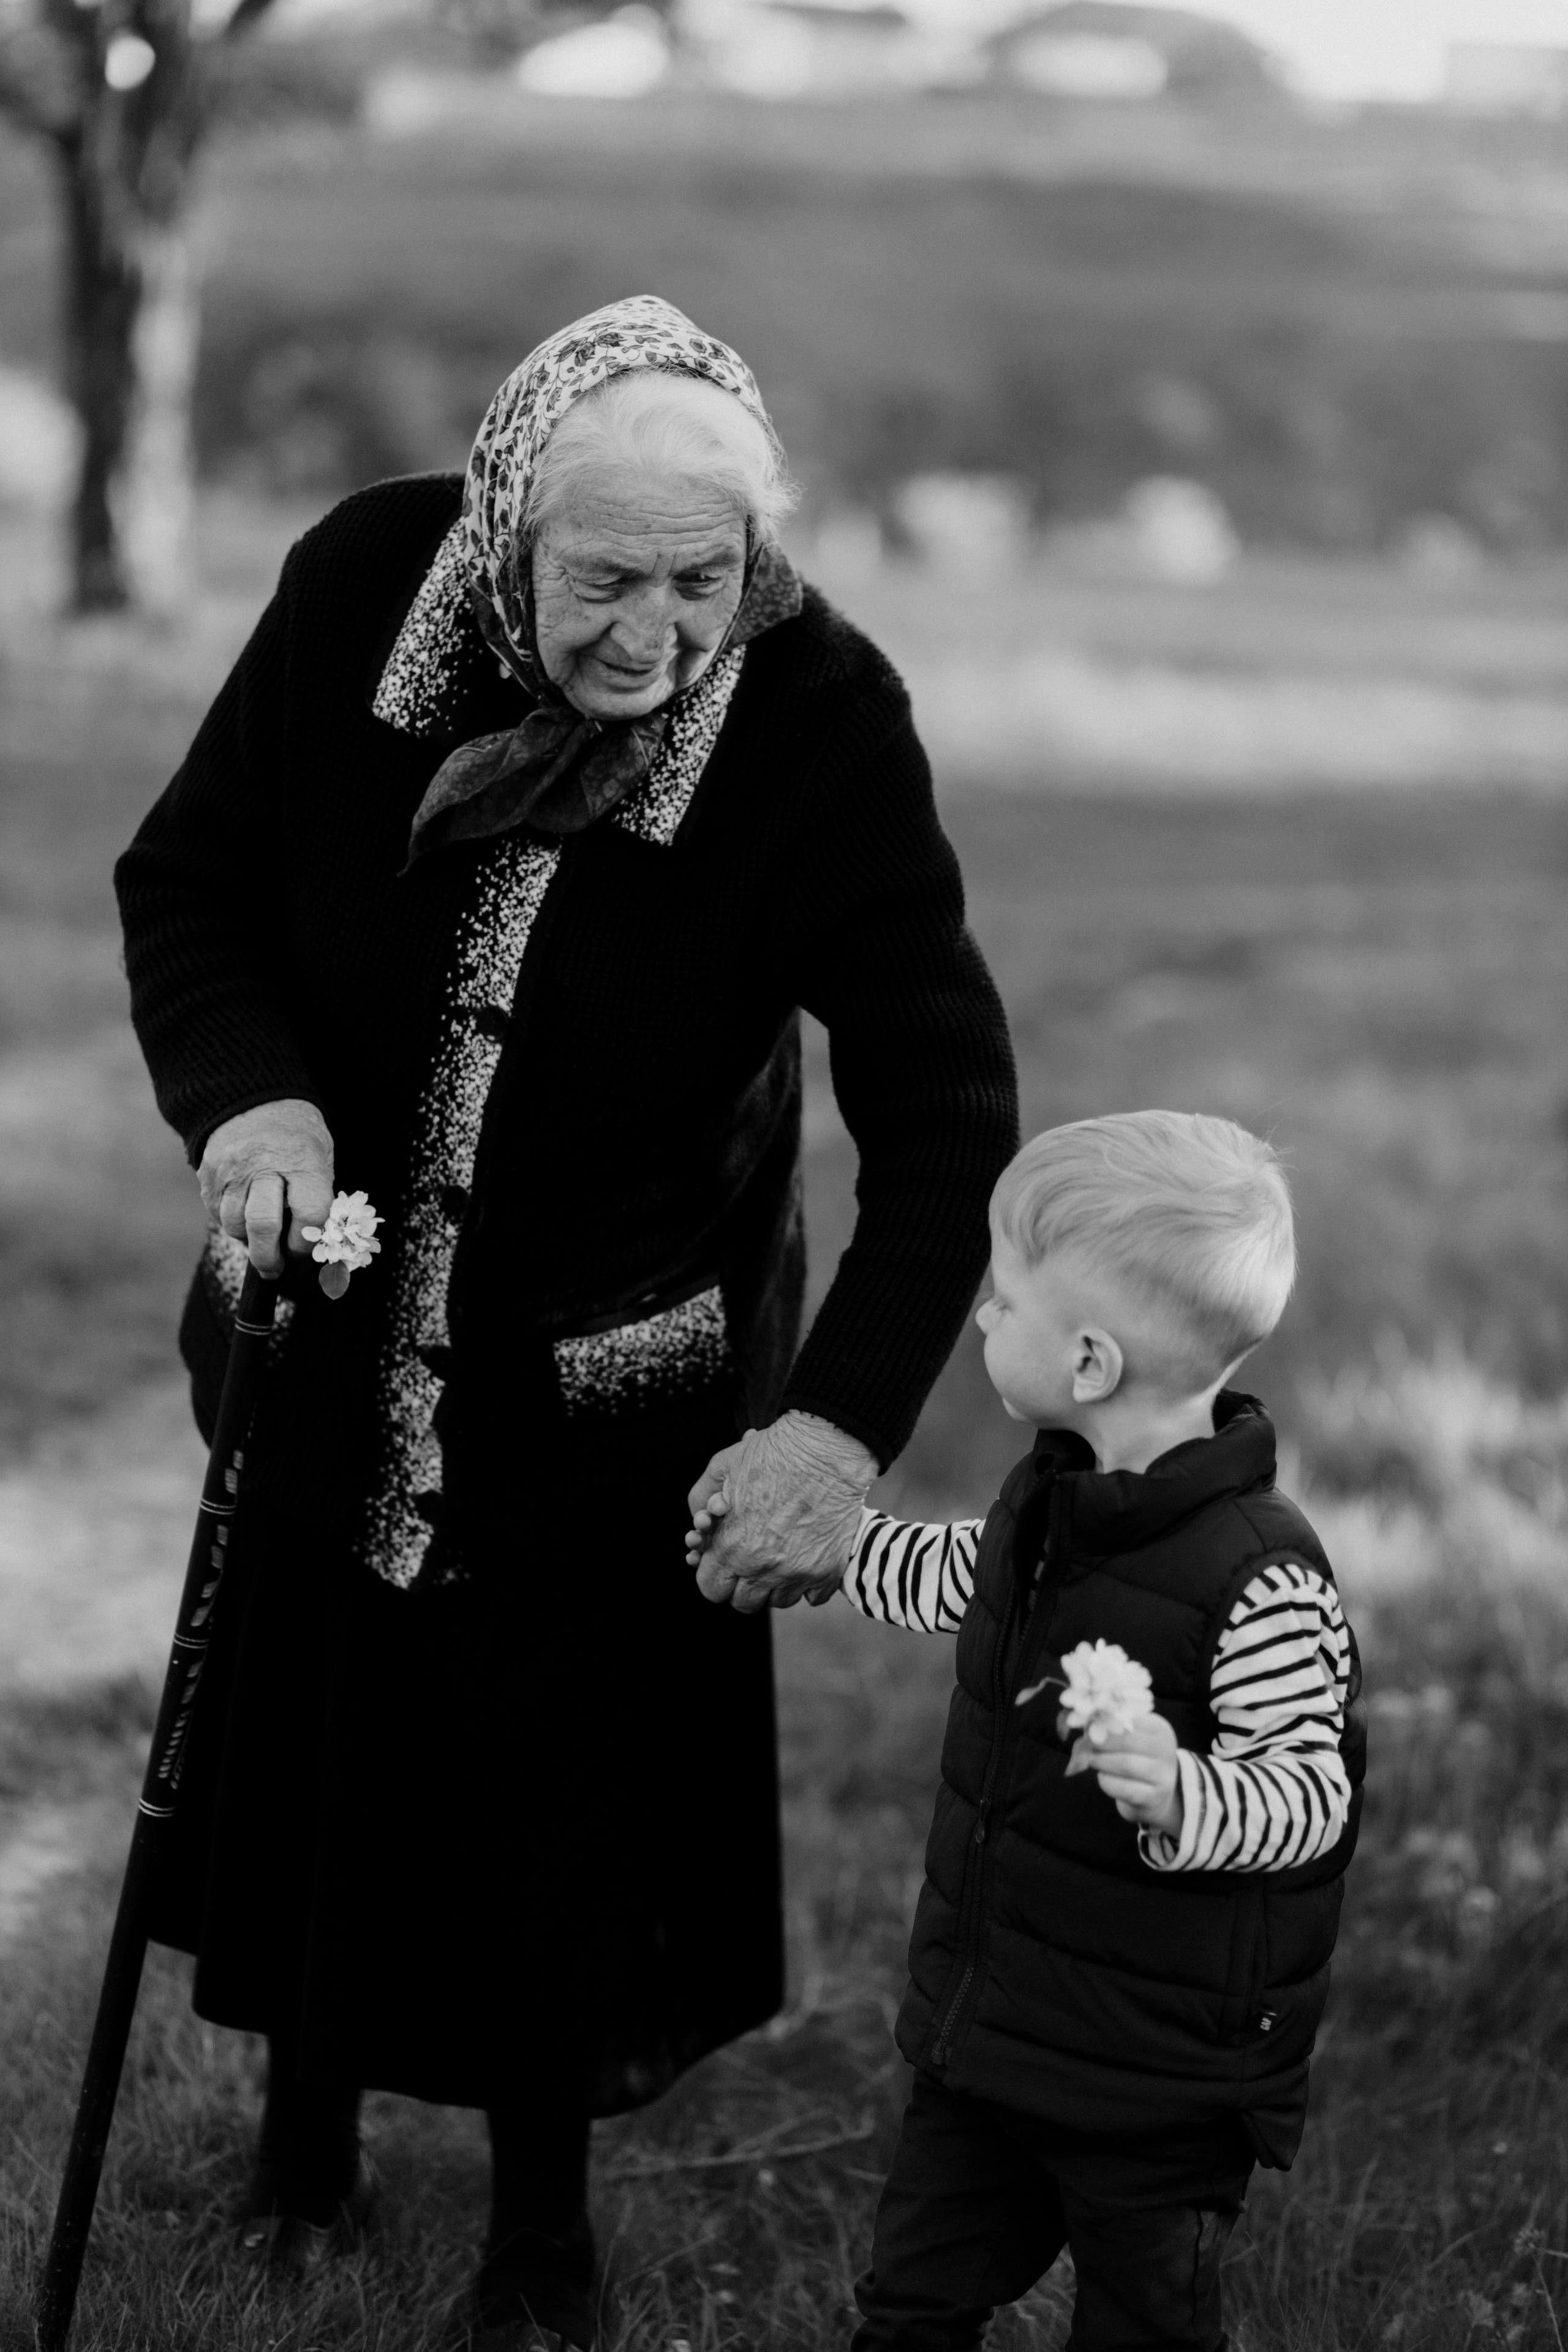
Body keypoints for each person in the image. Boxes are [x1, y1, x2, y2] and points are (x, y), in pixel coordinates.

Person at [114, 296, 1018, 2351]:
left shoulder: (819, 716)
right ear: (507, 520)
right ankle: (303, 2144)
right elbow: (192, 880)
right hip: (331, 1306)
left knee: (558, 1799)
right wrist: (249, 1102)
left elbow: (949, 1113)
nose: (657, 634)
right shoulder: (361, 585)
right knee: (331, 1725)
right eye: (606, 578)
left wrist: (834, 1431)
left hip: (624, 1366)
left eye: (705, 579)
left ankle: (542, 2240)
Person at [692, 1109, 1365, 2352]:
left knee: (1140, 2325)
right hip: (994, 2030)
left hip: (1153, 2077)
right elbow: (969, 1577)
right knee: (912, 2301)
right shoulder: (1051, 1500)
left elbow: (1309, 1796)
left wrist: (1183, 1793)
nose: (982, 1317)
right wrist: (839, 1547)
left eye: (1004, 1298)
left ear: (1091, 1362)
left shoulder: (1260, 1577)